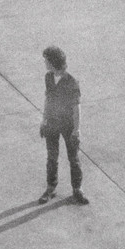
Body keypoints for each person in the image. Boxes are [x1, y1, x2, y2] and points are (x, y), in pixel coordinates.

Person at [38, 46, 89, 204]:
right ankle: (51, 188)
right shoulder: (48, 77)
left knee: (73, 159)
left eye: (46, 60)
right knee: (52, 157)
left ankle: (77, 190)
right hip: (52, 123)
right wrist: (44, 120)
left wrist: (77, 129)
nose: (45, 63)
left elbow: (76, 108)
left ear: (53, 62)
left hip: (68, 125)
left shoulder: (71, 82)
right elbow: (48, 99)